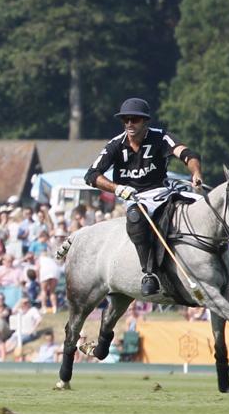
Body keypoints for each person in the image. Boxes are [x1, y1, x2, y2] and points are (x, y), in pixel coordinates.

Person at [84, 98, 204, 296]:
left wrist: (196, 174)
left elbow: (187, 154)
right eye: (126, 120)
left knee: (199, 205)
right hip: (134, 197)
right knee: (136, 218)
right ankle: (149, 273)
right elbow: (91, 175)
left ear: (145, 121)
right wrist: (117, 189)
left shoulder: (161, 137)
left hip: (162, 191)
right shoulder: (115, 145)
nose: (130, 124)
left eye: (135, 120)